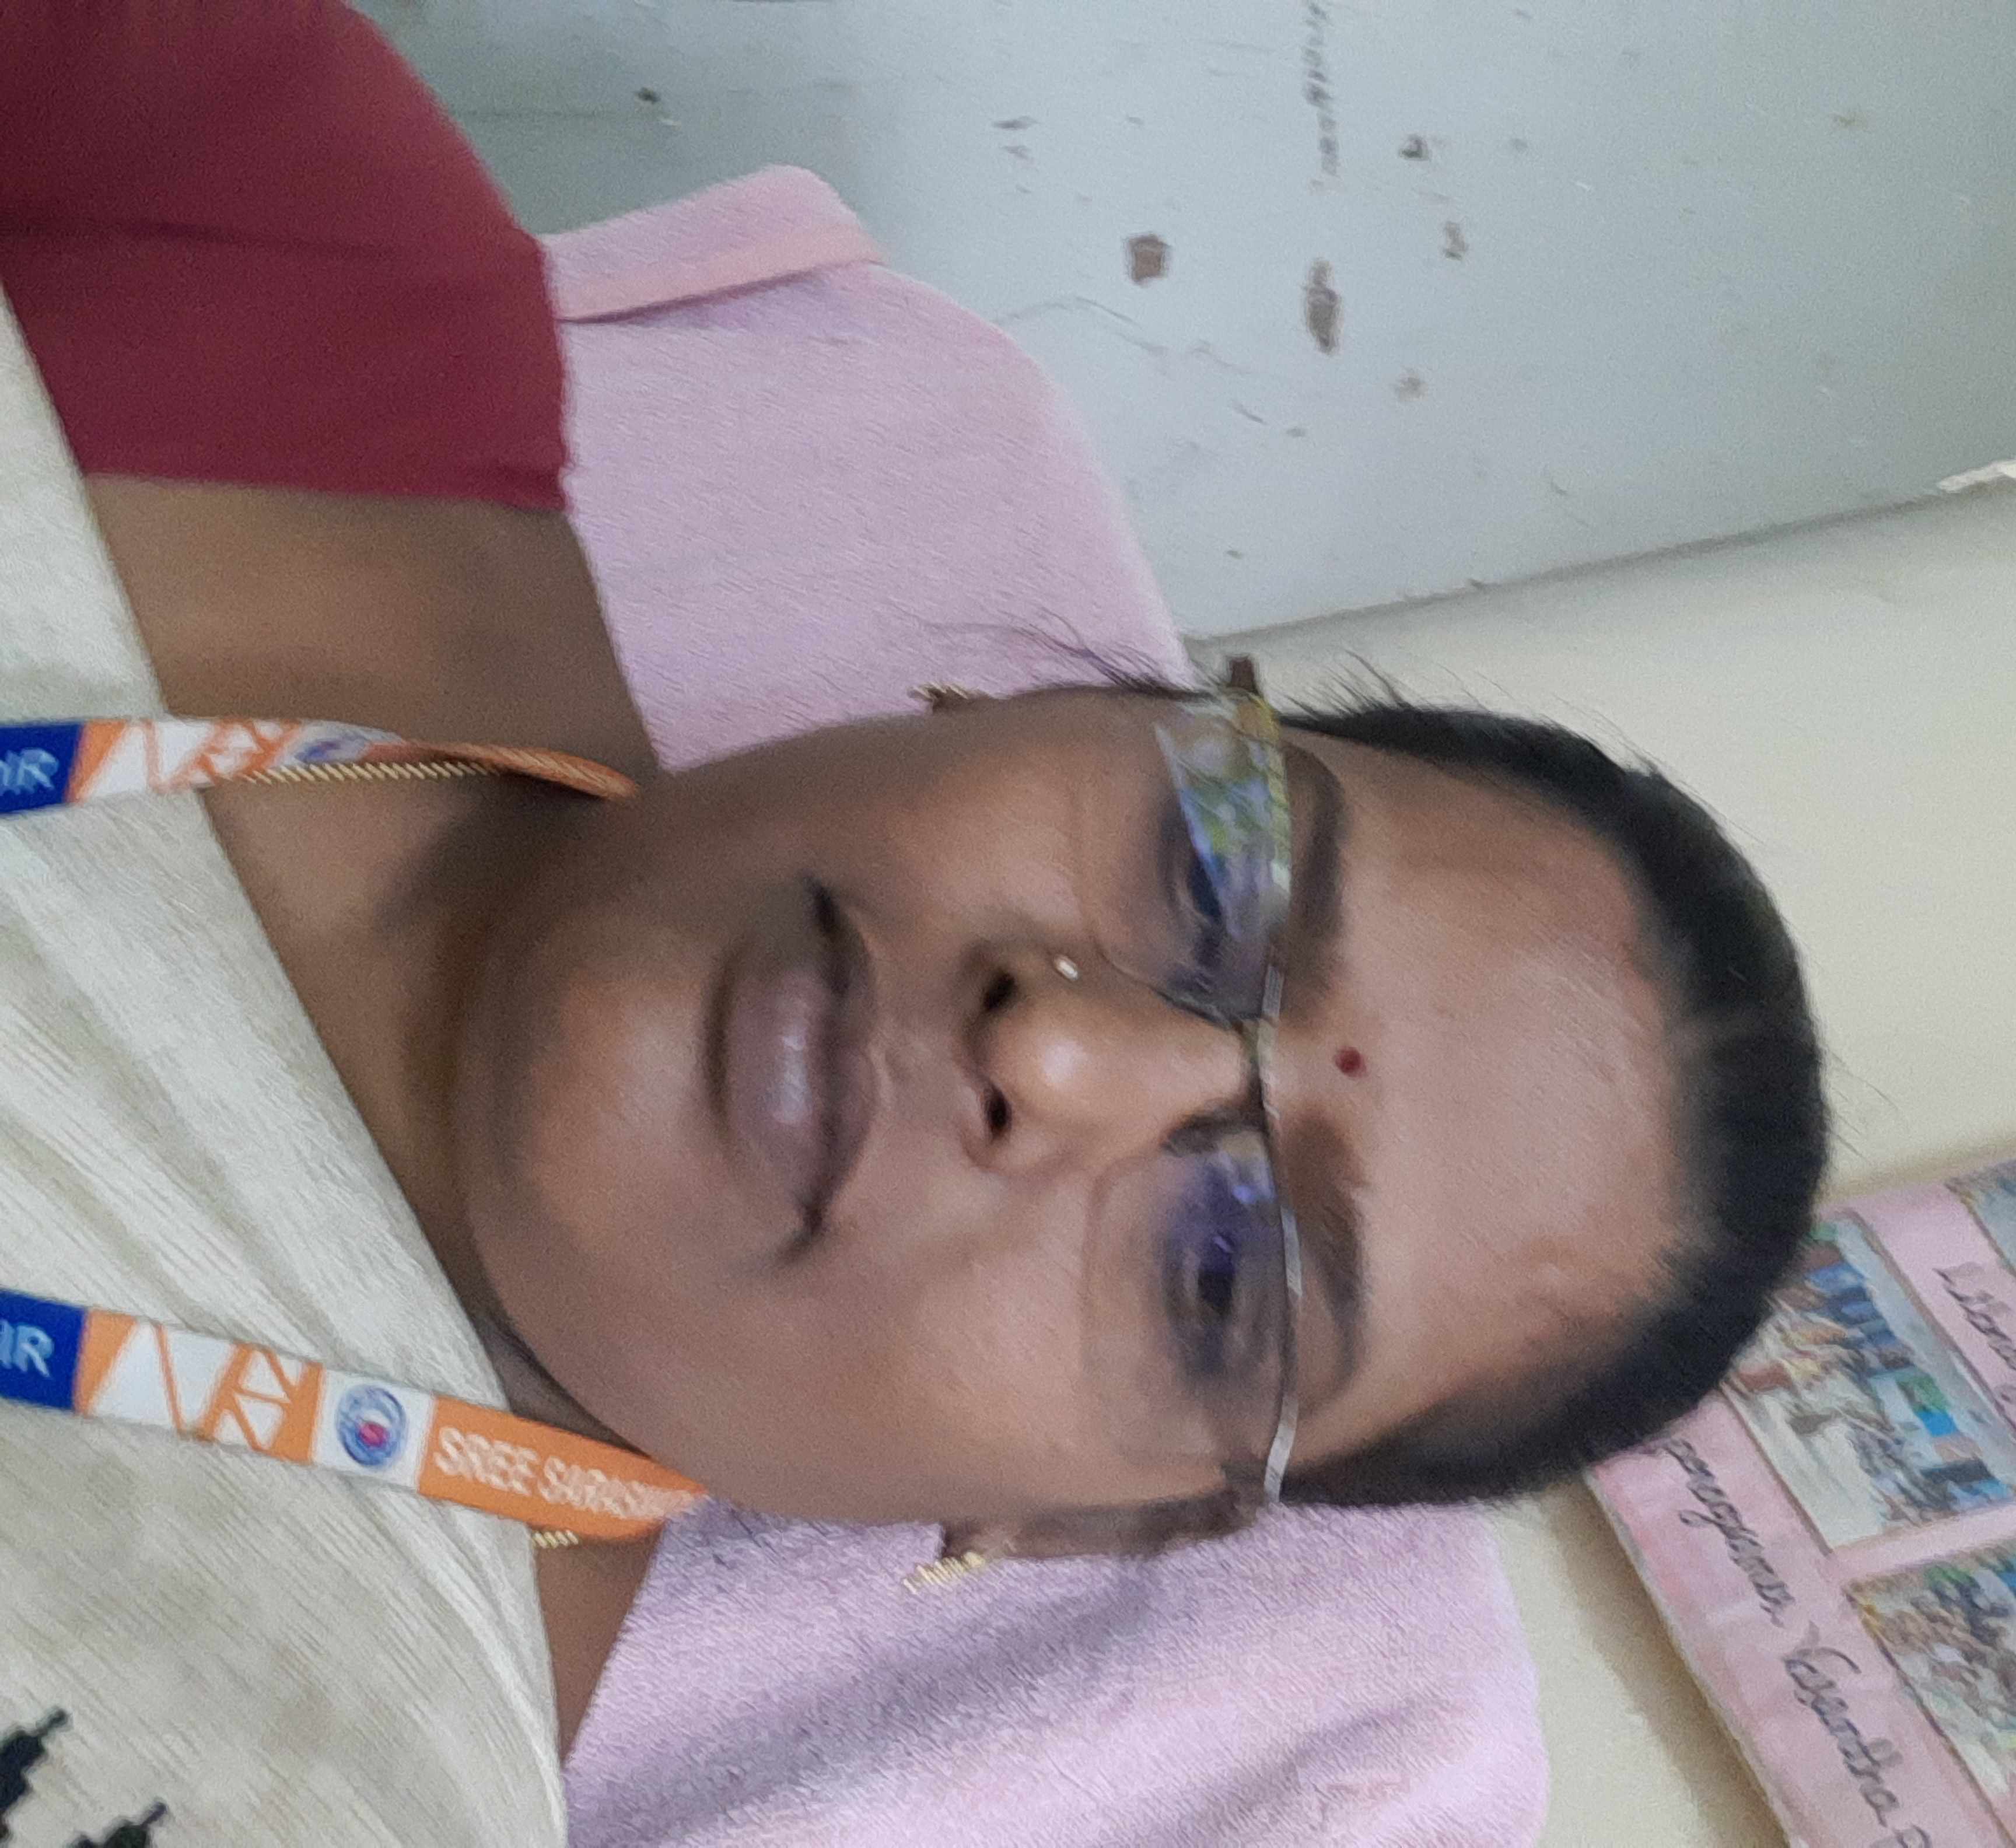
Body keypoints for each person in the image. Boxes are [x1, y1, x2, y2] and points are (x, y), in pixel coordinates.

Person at [0, 0, 1824, 1831]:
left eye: (1221, 1282)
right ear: (1042, 702)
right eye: (1221, 867)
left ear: (1071, 1524)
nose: (1064, 1047)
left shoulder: (288, 1772)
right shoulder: (260, 227)